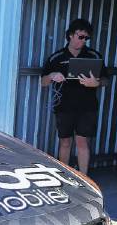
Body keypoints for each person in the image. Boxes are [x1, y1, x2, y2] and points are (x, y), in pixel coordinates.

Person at [41, 18, 109, 176]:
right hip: (64, 106)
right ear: (70, 35)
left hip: (87, 107)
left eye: (86, 38)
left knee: (82, 141)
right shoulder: (56, 57)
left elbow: (106, 79)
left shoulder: (94, 56)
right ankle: (63, 176)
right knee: (65, 141)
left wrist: (96, 83)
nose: (83, 41)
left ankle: (84, 178)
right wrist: (52, 75)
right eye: (80, 37)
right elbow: (43, 82)